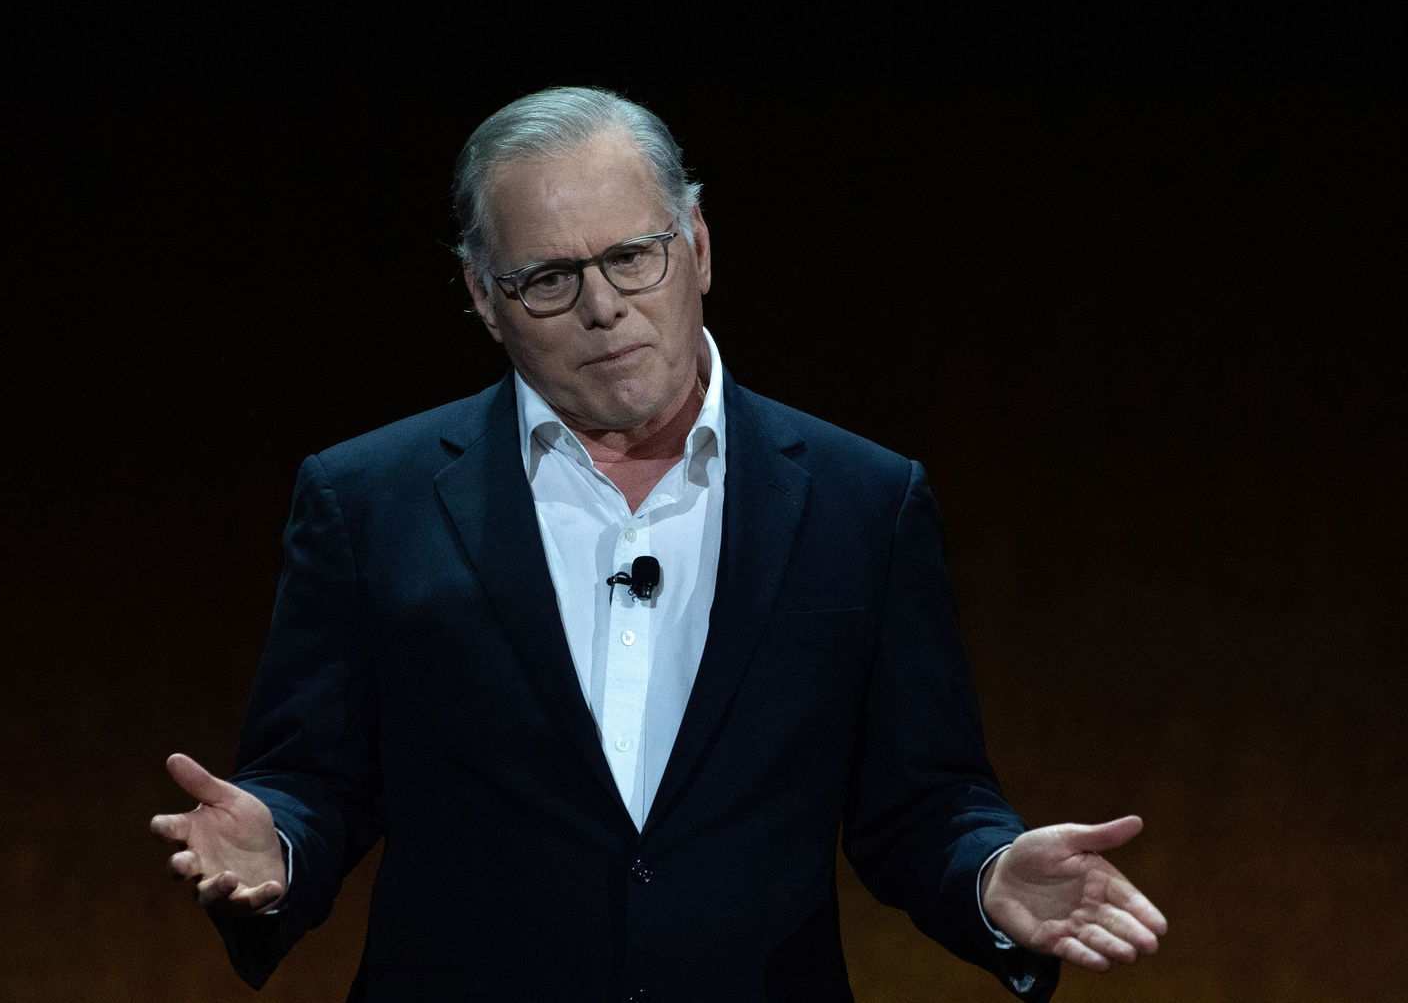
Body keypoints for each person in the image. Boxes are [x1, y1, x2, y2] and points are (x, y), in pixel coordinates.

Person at [150, 87, 1166, 1002]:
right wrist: (275, 839)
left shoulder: (864, 500)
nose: (602, 306)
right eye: (547, 277)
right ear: (481, 296)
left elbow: (923, 800)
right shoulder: (369, 498)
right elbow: (317, 777)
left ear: (699, 246)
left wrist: (988, 873)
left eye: (633, 255)